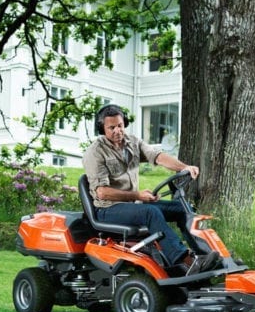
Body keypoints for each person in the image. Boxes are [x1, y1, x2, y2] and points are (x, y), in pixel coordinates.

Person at [82, 104, 219, 275]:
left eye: (120, 125)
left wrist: (184, 167)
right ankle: (186, 261)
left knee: (181, 208)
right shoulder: (95, 153)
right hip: (107, 209)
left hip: (132, 206)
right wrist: (138, 195)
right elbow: (102, 192)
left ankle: (203, 256)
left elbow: (158, 156)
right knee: (149, 212)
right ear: (102, 129)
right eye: (112, 128)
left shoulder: (132, 142)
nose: (118, 130)